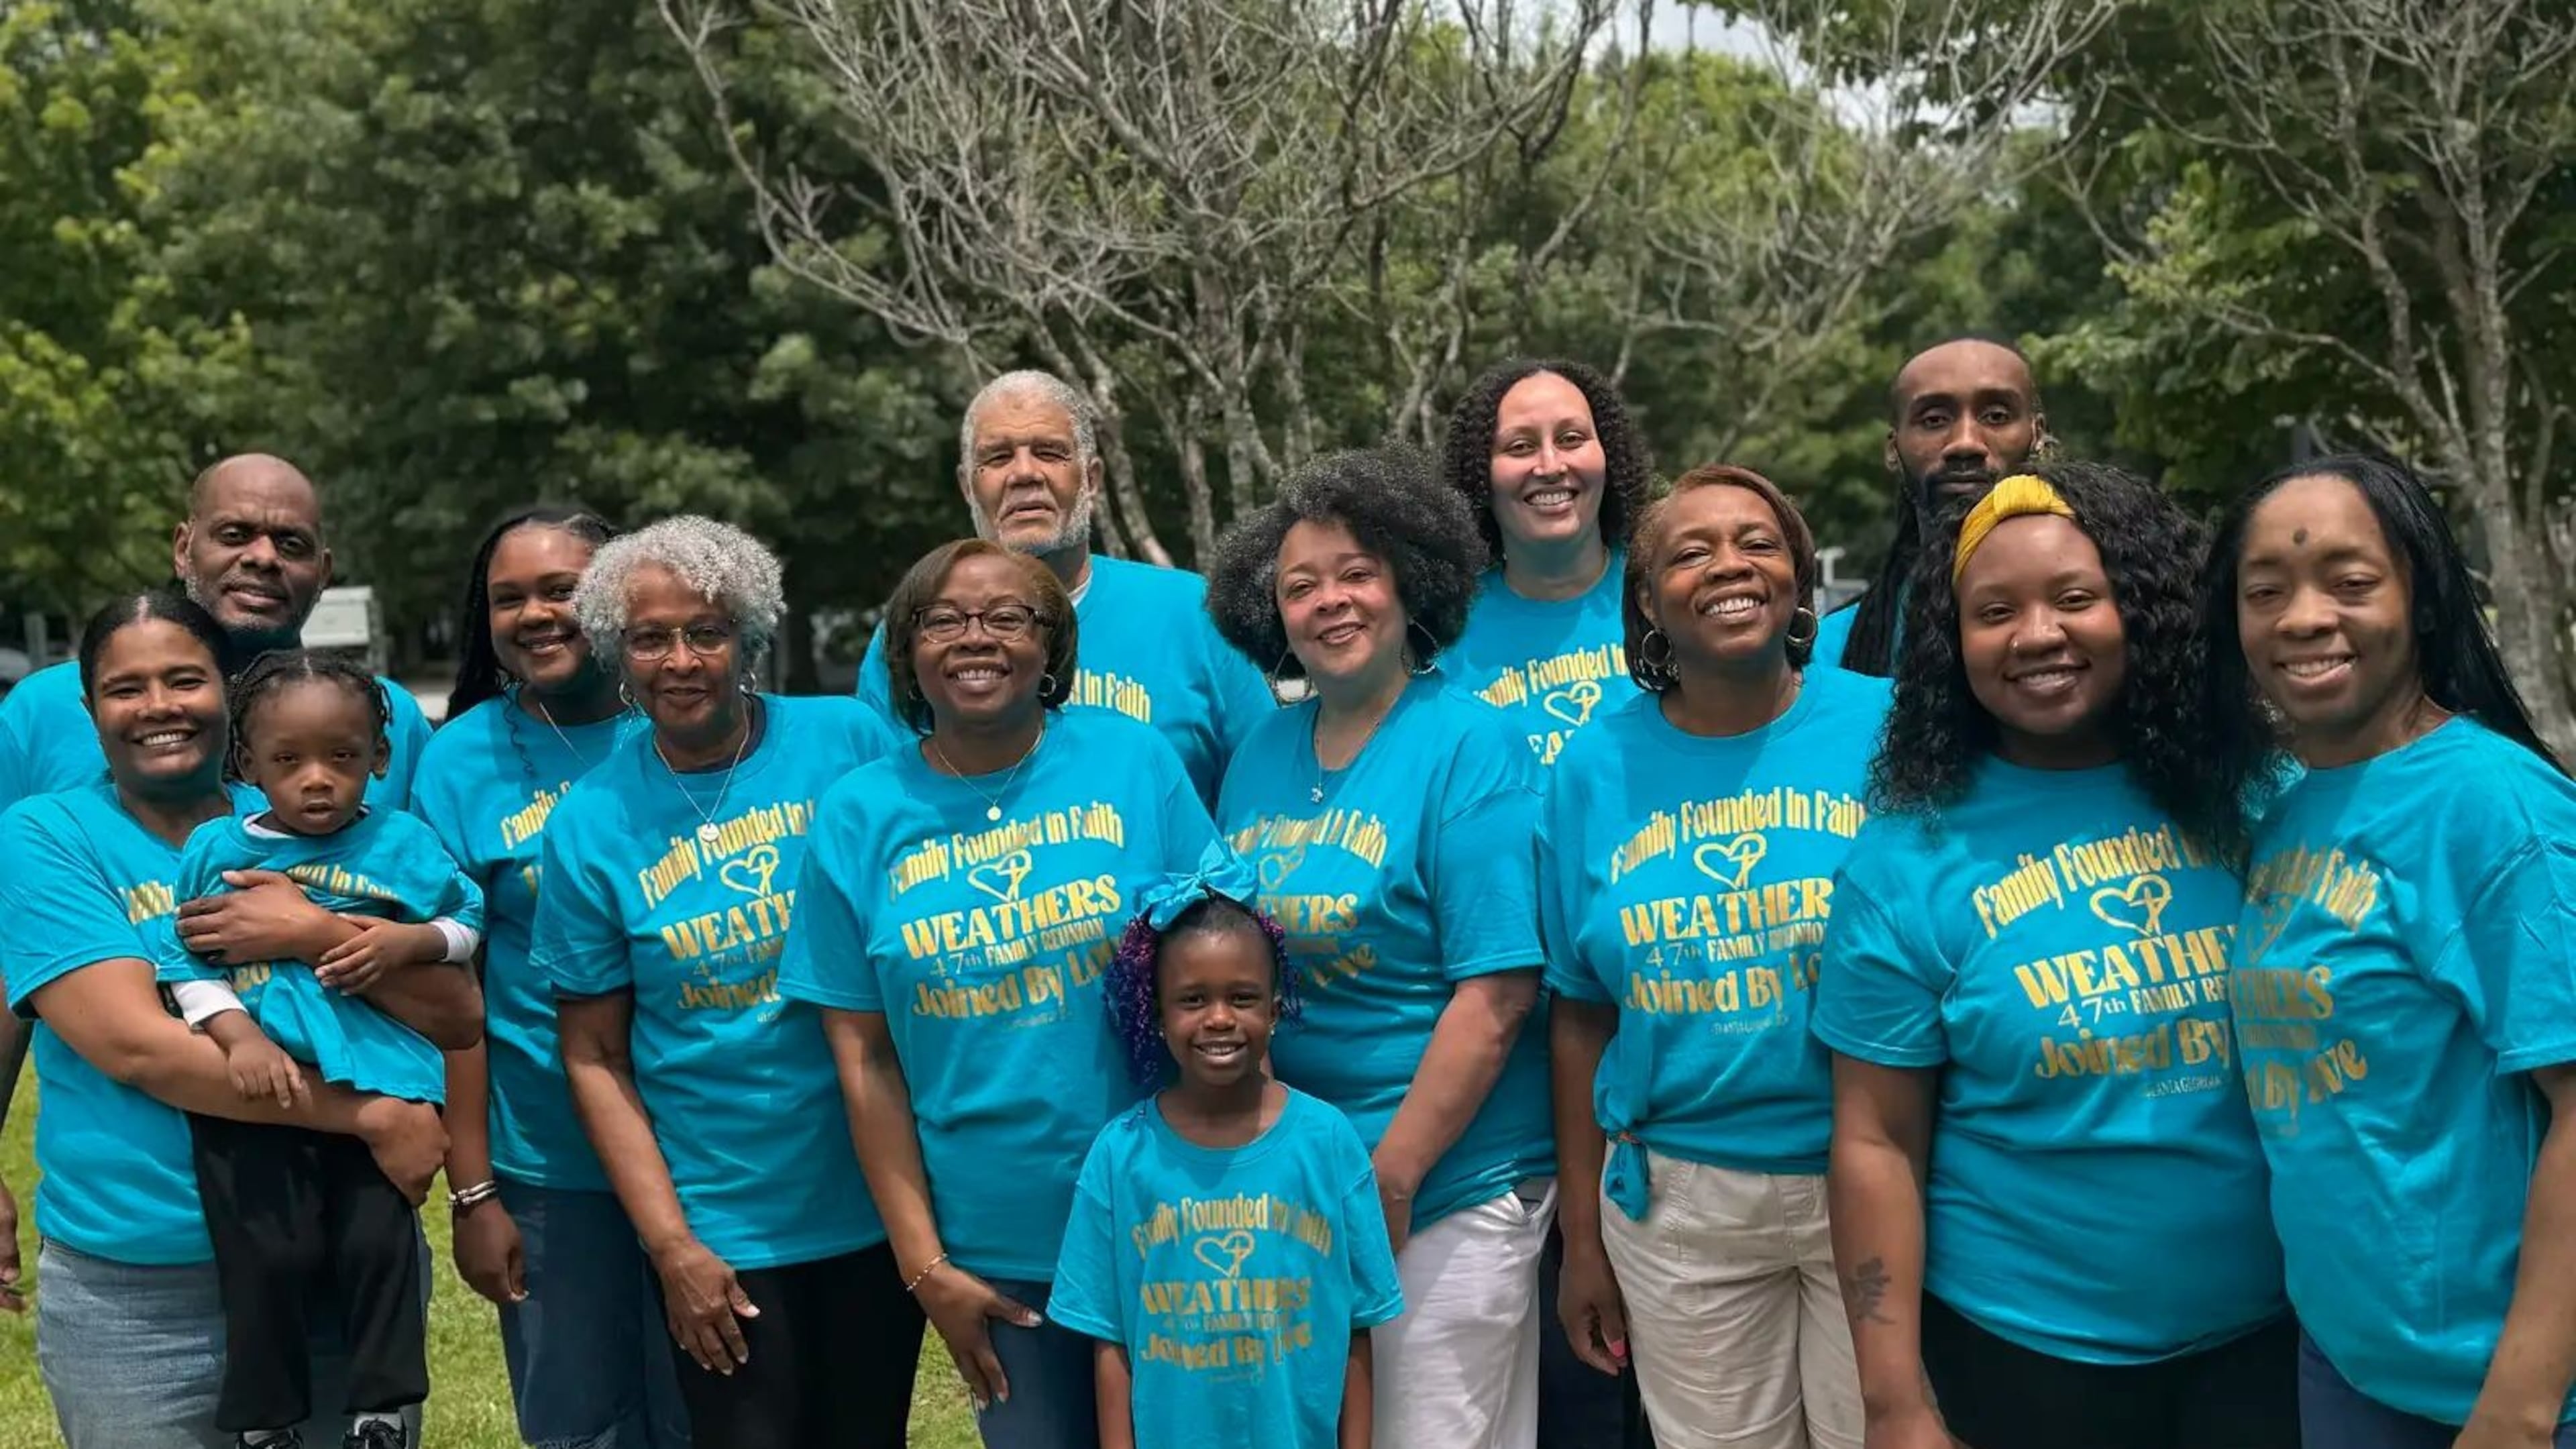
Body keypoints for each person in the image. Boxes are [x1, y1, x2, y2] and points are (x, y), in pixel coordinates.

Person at [1812, 466, 2295, 1449]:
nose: (2037, 635)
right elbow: (1876, 1143)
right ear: (1953, 646)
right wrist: (1893, 1402)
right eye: (1995, 612)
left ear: (2144, 613)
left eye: (2076, 599)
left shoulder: (2257, 798)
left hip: (2281, 1341)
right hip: (2025, 1359)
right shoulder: (1907, 860)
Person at [0, 590, 468, 1449]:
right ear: (89, 710)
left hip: (338, 1263)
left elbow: (458, 1012)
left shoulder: (339, 838)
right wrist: (372, 1112)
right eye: (126, 688)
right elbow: (140, 1048)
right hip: (141, 1290)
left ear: (229, 689)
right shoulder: (46, 835)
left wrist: (313, 931)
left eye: (185, 680)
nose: (159, 708)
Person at [781, 537, 1221, 1449]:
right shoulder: (858, 813)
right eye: (943, 619)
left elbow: (1227, 973)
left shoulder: (1133, 762)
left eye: (1006, 617)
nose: (974, 638)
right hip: (995, 1246)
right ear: (906, 651)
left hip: (1168, 1213)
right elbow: (861, 1059)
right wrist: (923, 1264)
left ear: (1051, 645)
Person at [2201, 455, 2576, 1448]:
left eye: (2350, 581)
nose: (2304, 617)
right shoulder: (2284, 808)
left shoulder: (2496, 808)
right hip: (2349, 1369)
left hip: (2504, 1395)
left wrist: (2521, 1410)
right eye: (2266, 591)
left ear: (2422, 594)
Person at [531, 516, 913, 1449]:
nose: (680, 660)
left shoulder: (849, 742)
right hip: (723, 1221)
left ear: (749, 639)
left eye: (705, 632)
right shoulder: (590, 823)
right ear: (619, 654)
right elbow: (593, 1056)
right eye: (650, 638)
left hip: (875, 1199)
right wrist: (672, 1248)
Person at [1203, 447, 1554, 1449]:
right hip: (1314, 1175)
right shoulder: (1261, 753)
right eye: (1300, 587)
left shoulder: (1470, 744)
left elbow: (1496, 999)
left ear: (1409, 578)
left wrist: (1389, 1181)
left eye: (1356, 572)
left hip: (1448, 1184)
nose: (1331, 603)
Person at [1543, 465, 1888, 1449]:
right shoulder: (1592, 768)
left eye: (1757, 543)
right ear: (1648, 600)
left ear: (1797, 577)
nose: (1728, 566)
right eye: (1690, 553)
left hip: (1871, 1173)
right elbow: (1578, 1013)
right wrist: (1580, 1244)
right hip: (1679, 1201)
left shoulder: (1883, 726)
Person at [0, 452, 437, 1181]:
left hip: (346, 1186)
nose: (261, 558)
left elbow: (443, 960)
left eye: (289, 544)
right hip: (132, 1193)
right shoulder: (47, 712)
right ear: (183, 548)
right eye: (234, 534)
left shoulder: (383, 720)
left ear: (324, 571)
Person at [153, 651, 484, 1449]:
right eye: (288, 761)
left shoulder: (402, 844)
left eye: (342, 758)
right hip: (261, 1099)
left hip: (382, 1081)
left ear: (379, 757)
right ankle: (268, 1420)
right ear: (248, 766)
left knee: (379, 1247)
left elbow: (466, 924)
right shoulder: (216, 851)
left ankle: (380, 1409)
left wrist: (410, 943)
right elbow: (180, 965)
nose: (317, 780)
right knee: (268, 1254)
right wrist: (234, 1036)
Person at [411, 506, 687, 1449]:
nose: (536, 614)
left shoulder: (692, 717)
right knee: (583, 1426)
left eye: (561, 589)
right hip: (551, 1165)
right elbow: (453, 995)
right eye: (507, 598)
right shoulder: (457, 761)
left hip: (718, 1151)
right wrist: (476, 1191)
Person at [1049, 853, 1406, 1449]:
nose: (1219, 1019)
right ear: (1157, 1014)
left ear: (1275, 1007)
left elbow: (1357, 1329)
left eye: (1242, 997)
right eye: (1192, 1000)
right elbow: (1110, 1344)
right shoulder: (1120, 1156)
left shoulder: (1328, 1142)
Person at [856, 370, 1275, 803]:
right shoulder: (919, 632)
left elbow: (1269, 793)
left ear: (1091, 478)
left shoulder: (1193, 614)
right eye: (998, 457)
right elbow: (882, 806)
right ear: (967, 487)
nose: (1024, 474)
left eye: (1050, 452)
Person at [1441, 358, 1655, 770]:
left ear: (1608, 454)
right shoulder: (1442, 632)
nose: (1551, 466)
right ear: (1480, 475)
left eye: (1572, 439)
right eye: (1520, 446)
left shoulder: (1667, 596)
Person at [1811, 338, 2048, 675]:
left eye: (1996, 416)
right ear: (1894, 449)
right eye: (1935, 420)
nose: (1965, 443)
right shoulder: (1834, 656)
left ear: (2037, 434)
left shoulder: (2109, 618)